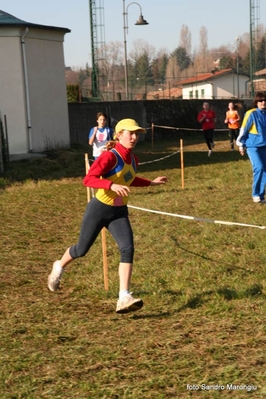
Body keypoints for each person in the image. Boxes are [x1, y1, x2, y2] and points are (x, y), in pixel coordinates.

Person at [48, 118, 168, 313]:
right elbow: (88, 179)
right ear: (119, 135)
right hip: (99, 209)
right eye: (131, 133)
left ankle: (123, 296)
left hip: (119, 212)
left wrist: (151, 183)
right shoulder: (109, 157)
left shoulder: (134, 159)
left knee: (127, 248)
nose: (134, 137)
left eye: (137, 134)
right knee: (81, 250)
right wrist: (110, 185)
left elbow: (129, 179)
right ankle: (59, 266)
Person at [236, 92, 266, 204]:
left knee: (265, 170)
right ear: (256, 102)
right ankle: (255, 194)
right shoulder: (251, 113)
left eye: (265, 100)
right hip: (253, 146)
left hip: (264, 146)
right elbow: (244, 129)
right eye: (261, 100)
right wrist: (240, 144)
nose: (263, 102)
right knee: (259, 167)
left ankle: (261, 196)